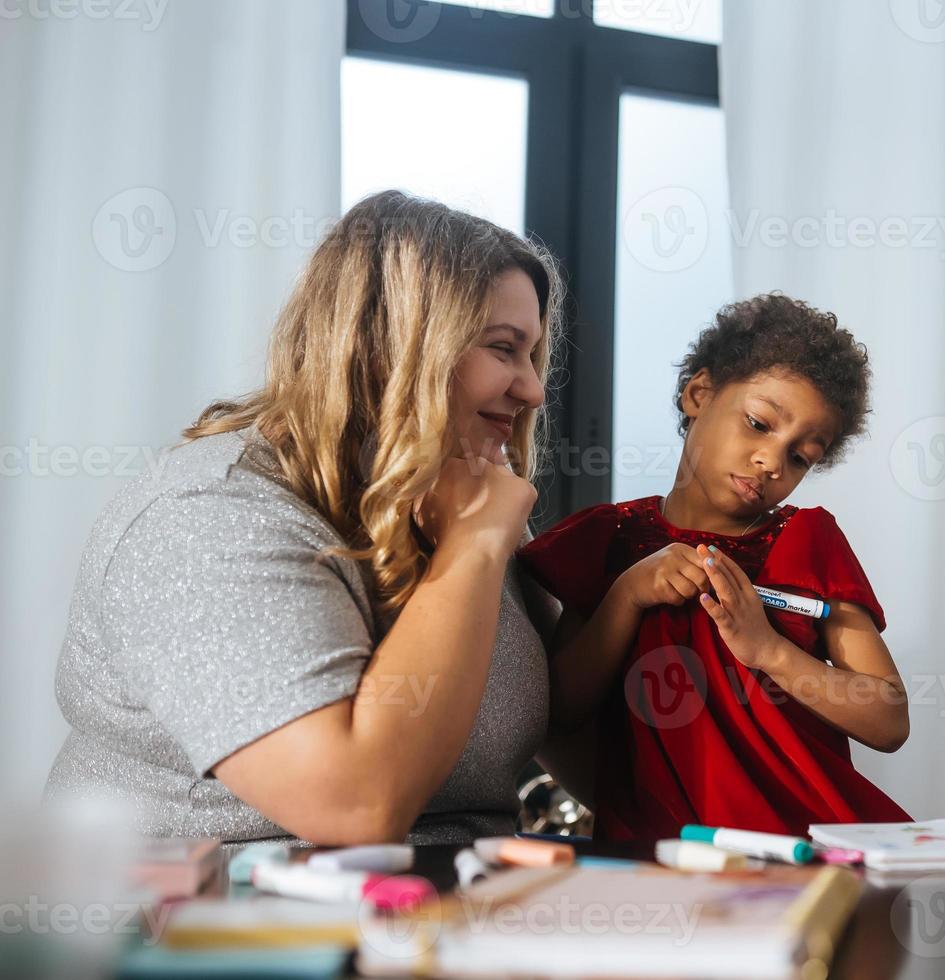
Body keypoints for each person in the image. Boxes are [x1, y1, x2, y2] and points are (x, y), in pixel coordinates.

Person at [45, 191, 563, 846]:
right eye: (503, 348)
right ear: (386, 348)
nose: (533, 388)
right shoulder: (209, 517)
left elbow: (577, 732)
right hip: (214, 927)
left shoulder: (460, 500)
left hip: (452, 912)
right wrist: (473, 550)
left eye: (531, 353)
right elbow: (353, 807)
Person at [519, 293, 911, 841]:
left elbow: (889, 718)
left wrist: (769, 649)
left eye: (802, 456)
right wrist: (627, 596)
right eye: (758, 423)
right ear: (698, 394)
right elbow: (557, 714)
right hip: (659, 861)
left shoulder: (804, 542)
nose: (772, 462)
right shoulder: (610, 542)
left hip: (806, 853)